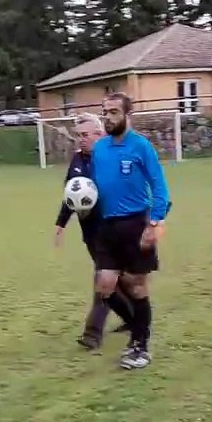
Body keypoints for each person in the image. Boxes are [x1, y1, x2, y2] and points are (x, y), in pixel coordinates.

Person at [90, 92, 172, 370]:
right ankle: (137, 327)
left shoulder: (141, 147)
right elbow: (95, 186)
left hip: (136, 223)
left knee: (136, 286)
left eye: (113, 112)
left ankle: (141, 345)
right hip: (106, 225)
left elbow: (159, 186)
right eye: (105, 111)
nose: (108, 117)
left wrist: (155, 222)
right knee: (104, 286)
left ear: (128, 115)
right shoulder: (100, 148)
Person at [54, 113, 132, 350]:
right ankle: (133, 319)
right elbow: (72, 195)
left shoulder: (113, 158)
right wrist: (61, 223)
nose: (81, 140)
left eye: (86, 135)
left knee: (103, 281)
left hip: (113, 231)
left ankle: (92, 334)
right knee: (117, 281)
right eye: (78, 136)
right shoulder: (77, 160)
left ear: (101, 134)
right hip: (91, 234)